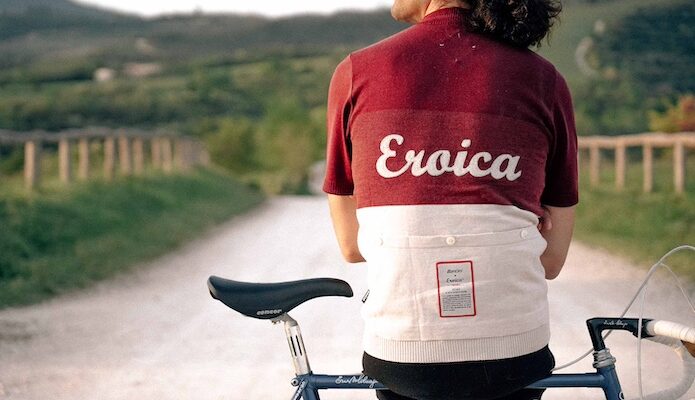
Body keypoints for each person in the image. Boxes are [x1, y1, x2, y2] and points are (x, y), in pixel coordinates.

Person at [322, 0, 578, 398]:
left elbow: (353, 248)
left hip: (403, 352)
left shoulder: (356, 72)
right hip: (513, 352)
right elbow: (551, 260)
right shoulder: (545, 79)